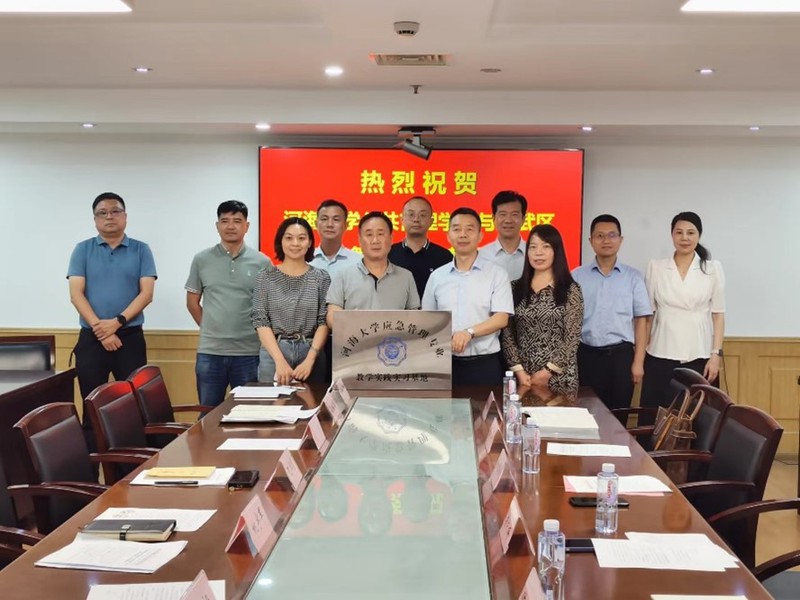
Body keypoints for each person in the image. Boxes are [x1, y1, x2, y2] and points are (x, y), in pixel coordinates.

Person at [67, 192, 156, 445]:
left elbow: (146, 294)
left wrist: (116, 323)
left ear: (125, 216)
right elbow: (76, 294)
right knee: (90, 408)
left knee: (133, 407)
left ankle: (131, 465)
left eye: (115, 211)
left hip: (130, 337)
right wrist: (101, 330)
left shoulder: (141, 250)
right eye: (102, 213)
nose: (109, 217)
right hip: (92, 339)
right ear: (95, 219)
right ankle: (91, 467)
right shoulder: (82, 250)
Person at [185, 200, 270, 407]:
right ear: (217, 226)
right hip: (210, 352)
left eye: (237, 221)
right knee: (208, 413)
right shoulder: (201, 259)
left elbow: (267, 308)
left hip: (249, 353)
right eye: (225, 221)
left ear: (247, 226)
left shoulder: (262, 262)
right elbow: (192, 302)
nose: (230, 226)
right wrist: (210, 329)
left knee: (248, 414)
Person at [640, 211, 725, 418]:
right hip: (660, 352)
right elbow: (647, 315)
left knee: (698, 419)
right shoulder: (656, 267)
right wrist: (640, 357)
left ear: (699, 235)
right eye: (679, 232)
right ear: (672, 235)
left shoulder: (712, 268)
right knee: (655, 417)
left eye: (690, 233)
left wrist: (715, 355)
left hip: (699, 353)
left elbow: (718, 314)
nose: (684, 238)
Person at [423, 207, 513, 386]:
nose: (463, 235)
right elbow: (427, 318)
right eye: (457, 229)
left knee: (487, 406)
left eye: (469, 229)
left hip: (484, 364)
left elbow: (502, 318)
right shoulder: (437, 276)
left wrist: (469, 333)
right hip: (443, 363)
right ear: (448, 236)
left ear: (480, 236)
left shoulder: (497, 274)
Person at [571, 215, 652, 410]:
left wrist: (638, 362)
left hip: (620, 357)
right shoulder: (576, 276)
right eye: (600, 235)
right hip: (586, 355)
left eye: (612, 235)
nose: (606, 240)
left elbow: (641, 321)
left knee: (618, 415)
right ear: (591, 241)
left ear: (620, 240)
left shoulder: (633, 277)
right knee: (586, 415)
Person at [501, 224, 583, 395]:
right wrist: (519, 371)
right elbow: (507, 334)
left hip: (560, 377)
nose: (538, 253)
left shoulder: (570, 289)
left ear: (556, 252)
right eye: (533, 247)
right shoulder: (514, 288)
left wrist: (548, 372)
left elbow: (572, 337)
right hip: (524, 377)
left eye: (546, 247)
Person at [253, 217, 331, 385]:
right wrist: (279, 361)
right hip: (275, 350)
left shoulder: (321, 277)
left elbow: (324, 321)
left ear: (310, 242)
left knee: (312, 400)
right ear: (280, 241)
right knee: (272, 401)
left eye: (301, 238)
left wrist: (310, 359)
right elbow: (261, 320)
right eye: (289, 238)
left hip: (311, 351)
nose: (295, 243)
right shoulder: (265, 276)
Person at [326, 211, 420, 328]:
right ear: (360, 240)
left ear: (391, 239)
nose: (375, 240)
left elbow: (415, 317)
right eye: (369, 234)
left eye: (380, 234)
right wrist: (352, 322)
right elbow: (332, 315)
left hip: (394, 339)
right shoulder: (343, 276)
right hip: (354, 338)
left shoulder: (406, 276)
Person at [388, 195, 452, 298]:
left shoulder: (444, 257)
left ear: (431, 221)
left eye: (422, 215)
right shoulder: (388, 254)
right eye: (411, 214)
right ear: (402, 220)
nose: (416, 219)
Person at [478, 190, 528, 281]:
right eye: (503, 214)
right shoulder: (481, 256)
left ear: (523, 219)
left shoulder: (533, 254)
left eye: (514, 215)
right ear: (493, 218)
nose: (508, 220)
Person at [309, 198, 361, 276]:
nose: (330, 224)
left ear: (346, 225)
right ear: (316, 224)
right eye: (324, 219)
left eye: (336, 219)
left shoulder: (358, 261)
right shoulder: (304, 260)